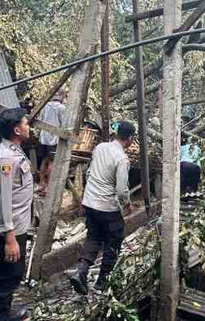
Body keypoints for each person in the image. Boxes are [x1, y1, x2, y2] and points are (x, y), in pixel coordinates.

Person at [69, 121, 135, 294]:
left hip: (90, 202)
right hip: (107, 206)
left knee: (94, 236)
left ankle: (81, 272)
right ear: (130, 139)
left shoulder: (100, 147)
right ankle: (102, 281)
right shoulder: (122, 159)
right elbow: (121, 190)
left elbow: (90, 172)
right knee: (114, 239)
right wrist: (127, 204)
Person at [0, 108, 33, 321]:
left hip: (17, 226)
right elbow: (3, 201)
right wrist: (10, 238)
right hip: (10, 229)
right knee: (7, 275)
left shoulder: (15, 151)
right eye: (26, 123)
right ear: (17, 129)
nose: (28, 127)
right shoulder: (5, 159)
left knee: (12, 273)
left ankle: (4, 313)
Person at [37, 91, 66, 196]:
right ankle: (48, 187)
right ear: (62, 97)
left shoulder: (45, 106)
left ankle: (41, 183)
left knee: (44, 160)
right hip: (53, 139)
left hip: (43, 137)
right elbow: (64, 124)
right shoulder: (61, 108)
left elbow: (40, 119)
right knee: (51, 163)